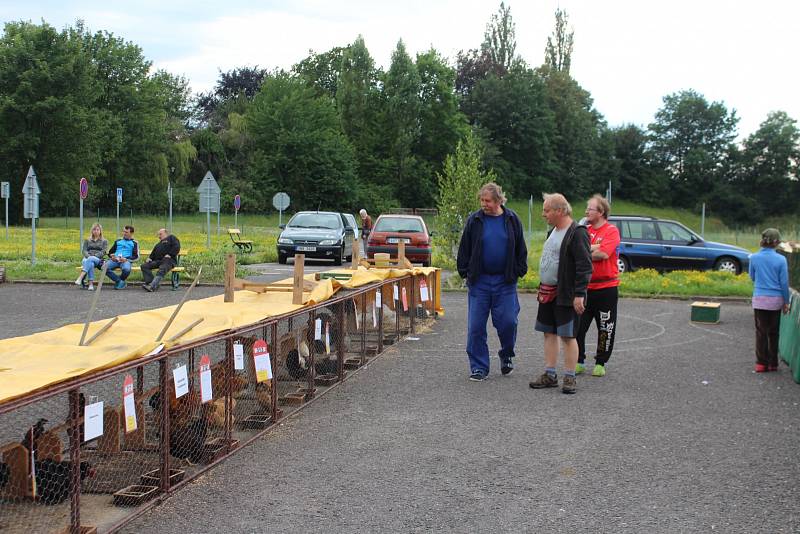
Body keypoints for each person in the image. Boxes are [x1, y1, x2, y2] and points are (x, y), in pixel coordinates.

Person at [456, 182, 528, 381]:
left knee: (508, 322)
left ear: (498, 201)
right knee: (476, 327)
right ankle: (479, 366)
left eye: (487, 200)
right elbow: (465, 247)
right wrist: (464, 272)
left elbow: (521, 247)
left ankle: (506, 355)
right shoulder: (475, 220)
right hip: (479, 282)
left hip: (505, 282)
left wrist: (520, 270)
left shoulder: (512, 219)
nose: (483, 204)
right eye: (482, 200)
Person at [529, 193, 592, 394]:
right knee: (549, 332)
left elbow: (584, 265)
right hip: (548, 292)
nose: (543, 214)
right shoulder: (553, 231)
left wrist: (580, 294)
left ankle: (570, 377)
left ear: (559, 210)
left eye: (546, 210)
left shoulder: (577, 233)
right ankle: (550, 374)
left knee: (567, 336)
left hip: (566, 294)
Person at [575, 194, 621, 377]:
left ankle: (601, 362)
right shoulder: (583, 230)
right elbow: (576, 251)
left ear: (601, 212)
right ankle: (579, 360)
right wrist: (594, 247)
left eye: (590, 208)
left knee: (605, 327)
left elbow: (604, 254)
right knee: (578, 327)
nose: (586, 211)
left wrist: (586, 250)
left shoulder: (611, 231)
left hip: (606, 289)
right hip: (584, 288)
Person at [748, 228, 791, 372]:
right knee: (774, 331)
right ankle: (773, 363)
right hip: (776, 300)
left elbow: (752, 277)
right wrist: (786, 302)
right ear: (777, 242)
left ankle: (761, 363)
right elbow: (784, 283)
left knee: (761, 332)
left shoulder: (753, 257)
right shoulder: (781, 259)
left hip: (760, 299)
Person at [75, 223, 108, 291]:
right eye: (94, 229)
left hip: (98, 259)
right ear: (92, 231)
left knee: (90, 260)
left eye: (97, 230)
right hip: (88, 258)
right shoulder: (87, 240)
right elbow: (84, 251)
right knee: (90, 263)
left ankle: (81, 277)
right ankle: (90, 284)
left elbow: (103, 252)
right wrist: (89, 256)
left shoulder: (104, 241)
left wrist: (94, 256)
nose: (96, 231)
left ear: (100, 231)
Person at [105, 225, 139, 290]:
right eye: (123, 231)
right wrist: (112, 256)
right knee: (104, 267)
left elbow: (136, 256)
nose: (124, 233)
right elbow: (110, 252)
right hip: (115, 260)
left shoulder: (134, 243)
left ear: (131, 233)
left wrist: (126, 259)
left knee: (126, 269)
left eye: (126, 232)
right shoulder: (118, 241)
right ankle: (119, 281)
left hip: (125, 261)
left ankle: (120, 281)